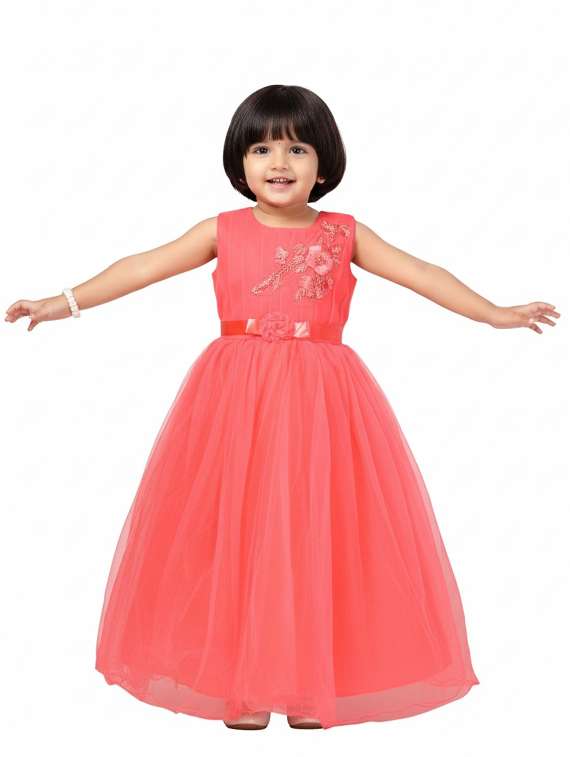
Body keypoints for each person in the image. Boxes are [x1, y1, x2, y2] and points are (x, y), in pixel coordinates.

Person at [4, 84, 560, 731]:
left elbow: (423, 273)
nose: (279, 161)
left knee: (311, 534)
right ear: (240, 162)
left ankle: (305, 685)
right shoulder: (221, 230)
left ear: (323, 165)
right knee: (237, 533)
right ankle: (241, 686)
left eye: (297, 149)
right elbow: (142, 267)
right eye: (262, 148)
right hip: (234, 405)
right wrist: (62, 302)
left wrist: (493, 312)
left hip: (322, 406)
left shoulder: (344, 233)